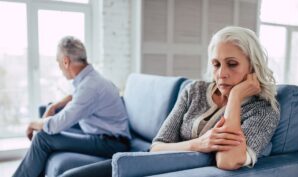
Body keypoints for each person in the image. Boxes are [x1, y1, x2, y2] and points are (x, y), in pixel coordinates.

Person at [57, 26, 280, 177]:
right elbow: (157, 146)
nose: (221, 74)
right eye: (216, 64)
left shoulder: (263, 111)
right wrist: (198, 144)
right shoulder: (194, 90)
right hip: (143, 165)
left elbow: (228, 161)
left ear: (252, 67)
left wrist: (235, 97)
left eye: (232, 64)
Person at [13, 36, 131, 177]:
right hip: (103, 136)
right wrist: (56, 105)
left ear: (66, 61)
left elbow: (56, 124)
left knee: (42, 138)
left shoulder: (90, 86)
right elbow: (76, 95)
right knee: (47, 132)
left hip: (111, 144)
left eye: (58, 63)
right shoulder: (90, 80)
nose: (60, 68)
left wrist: (33, 123)